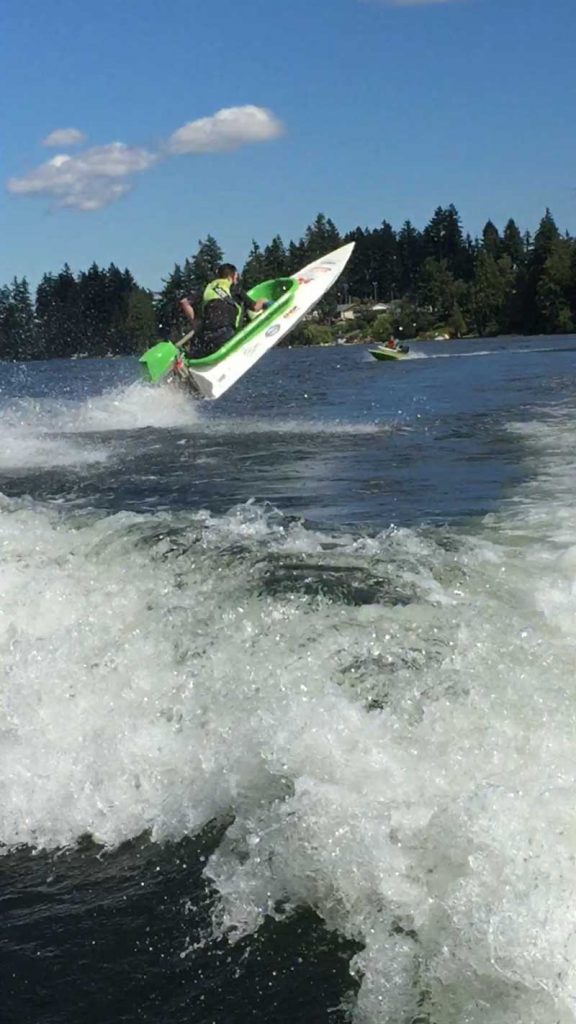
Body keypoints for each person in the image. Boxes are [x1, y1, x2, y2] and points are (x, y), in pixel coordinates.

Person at [179, 263, 269, 357]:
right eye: (236, 277)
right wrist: (263, 301)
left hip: (205, 337)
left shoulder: (207, 289)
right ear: (231, 277)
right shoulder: (235, 288)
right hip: (225, 335)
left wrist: (195, 323)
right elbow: (255, 307)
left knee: (197, 348)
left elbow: (184, 302)